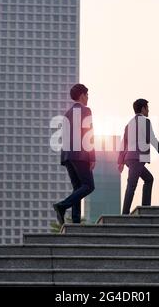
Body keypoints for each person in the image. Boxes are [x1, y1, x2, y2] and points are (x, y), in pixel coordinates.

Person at [53, 84, 95, 225]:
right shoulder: (86, 110)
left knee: (78, 188)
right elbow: (89, 134)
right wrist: (92, 157)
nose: (88, 98)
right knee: (89, 186)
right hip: (80, 154)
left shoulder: (67, 113)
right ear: (82, 95)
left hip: (67, 155)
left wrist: (65, 157)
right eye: (87, 95)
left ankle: (76, 221)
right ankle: (62, 205)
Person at [118, 99, 159, 215]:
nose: (148, 110)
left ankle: (145, 209)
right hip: (137, 158)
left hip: (130, 158)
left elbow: (123, 143)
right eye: (147, 108)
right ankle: (125, 214)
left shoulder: (129, 124)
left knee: (148, 179)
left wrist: (120, 161)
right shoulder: (145, 122)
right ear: (142, 109)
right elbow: (153, 139)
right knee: (132, 185)